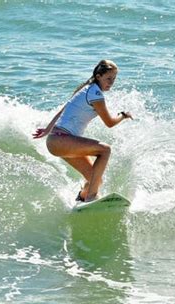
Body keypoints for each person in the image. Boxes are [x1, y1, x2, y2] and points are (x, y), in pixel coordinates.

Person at [32, 59, 133, 202]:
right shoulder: (95, 94)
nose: (111, 82)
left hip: (57, 141)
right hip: (62, 140)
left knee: (95, 180)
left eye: (114, 79)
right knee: (105, 150)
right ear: (98, 76)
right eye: (108, 78)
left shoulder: (86, 89)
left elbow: (63, 110)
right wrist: (122, 116)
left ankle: (82, 197)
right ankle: (91, 197)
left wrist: (48, 130)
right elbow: (109, 123)